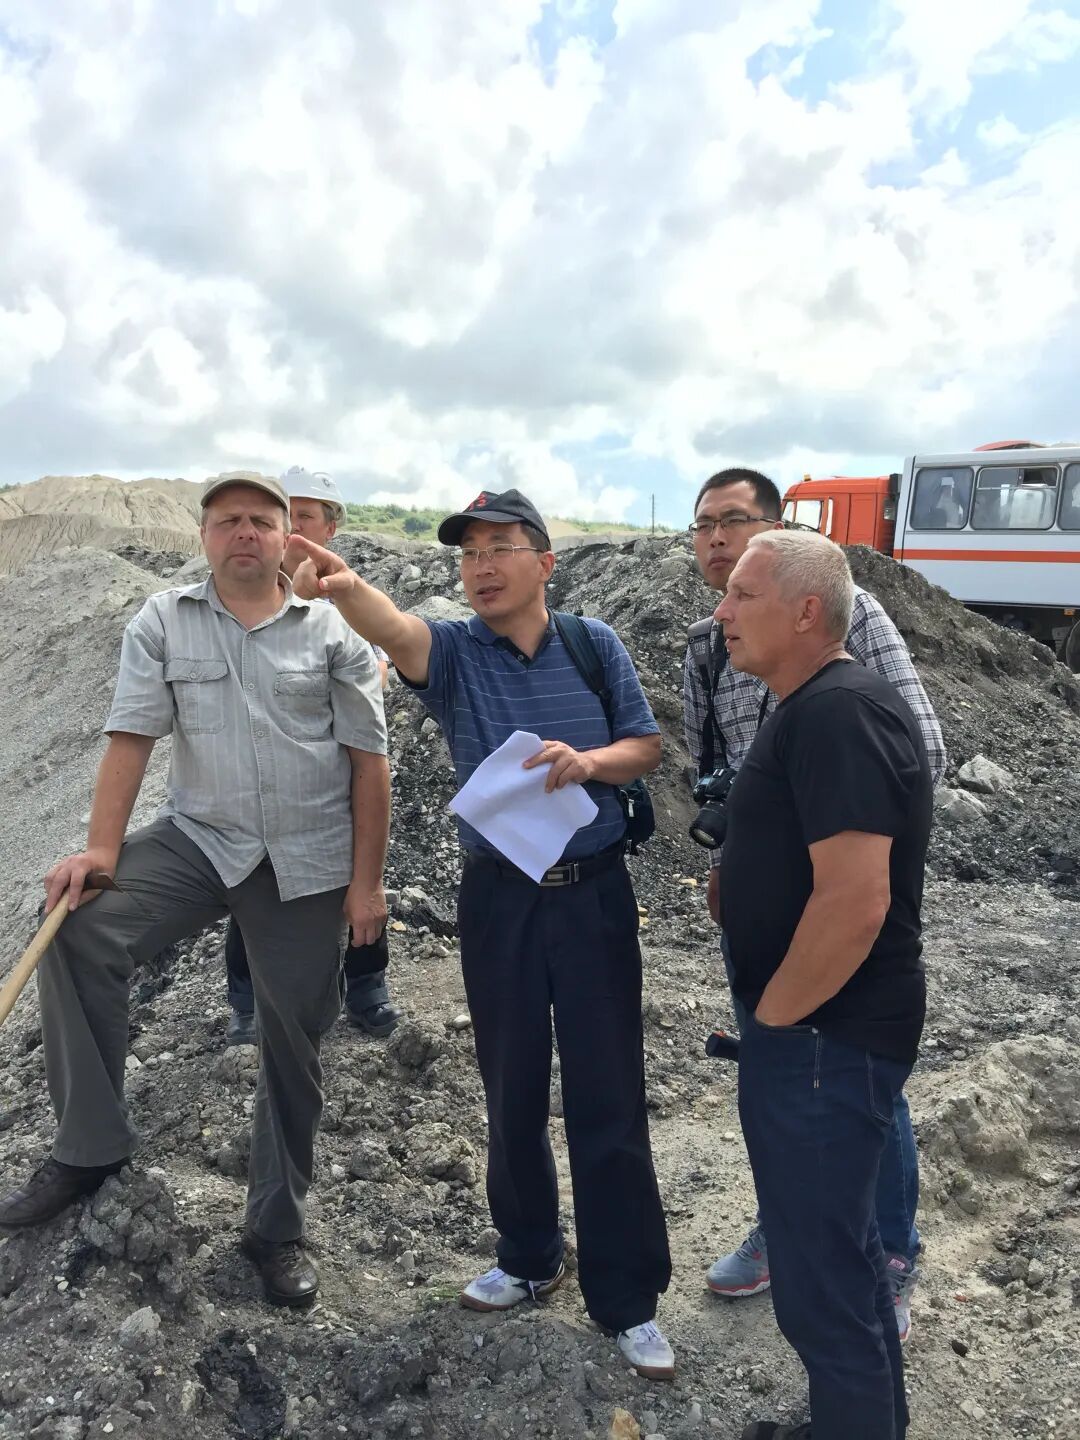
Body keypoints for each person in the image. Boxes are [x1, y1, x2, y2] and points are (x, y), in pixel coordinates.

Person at [283, 488, 676, 1379]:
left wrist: (590, 763)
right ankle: (529, 1256)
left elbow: (645, 745)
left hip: (594, 896)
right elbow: (394, 630)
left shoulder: (594, 643)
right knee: (511, 1083)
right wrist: (342, 584)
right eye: (468, 553)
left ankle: (627, 1299)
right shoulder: (456, 654)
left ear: (545, 562)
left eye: (500, 547)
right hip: (500, 900)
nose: (481, 566)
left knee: (609, 1089)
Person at [0, 472, 389, 1309]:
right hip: (201, 840)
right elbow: (131, 736)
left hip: (306, 858)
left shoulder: (334, 632)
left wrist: (366, 885)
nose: (244, 532)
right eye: (227, 521)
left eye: (261, 520)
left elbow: (370, 764)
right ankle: (90, 1145)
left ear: (286, 537)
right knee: (77, 924)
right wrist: (100, 851)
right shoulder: (162, 621)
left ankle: (275, 1229)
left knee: (295, 1035)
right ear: (204, 537)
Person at [683, 467, 944, 1343]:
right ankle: (790, 1221)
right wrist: (737, 856)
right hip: (762, 906)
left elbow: (917, 750)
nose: (718, 540)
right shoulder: (709, 642)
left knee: (853, 1083)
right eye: (704, 525)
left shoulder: (846, 617)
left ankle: (887, 1253)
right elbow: (713, 769)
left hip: (837, 902)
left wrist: (834, 851)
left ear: (777, 533)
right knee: (785, 1090)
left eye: (736, 521)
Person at [718, 529, 931, 1440]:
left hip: (822, 1042)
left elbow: (854, 903)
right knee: (840, 1259)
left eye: (743, 594)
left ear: (807, 611)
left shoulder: (840, 713)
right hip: (819, 1039)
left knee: (820, 1280)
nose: (721, 612)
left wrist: (773, 1024)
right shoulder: (810, 706)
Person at [222, 465, 401, 1045]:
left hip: (341, 766)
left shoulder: (347, 594)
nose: (295, 527)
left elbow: (381, 666)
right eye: (288, 515)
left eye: (306, 516)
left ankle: (366, 983)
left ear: (330, 527)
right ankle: (248, 999)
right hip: (263, 771)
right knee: (254, 881)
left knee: (361, 870)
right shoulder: (246, 594)